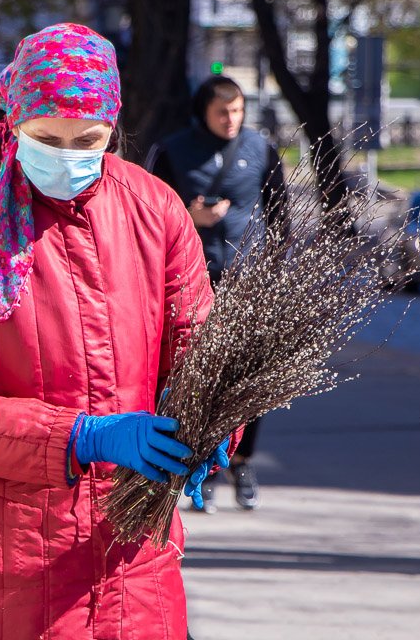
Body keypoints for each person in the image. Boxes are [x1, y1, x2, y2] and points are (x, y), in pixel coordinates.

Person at [0, 23, 234, 639]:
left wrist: (214, 424)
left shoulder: (156, 211)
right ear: (13, 121)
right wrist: (82, 436)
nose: (68, 155)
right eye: (46, 138)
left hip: (129, 559)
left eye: (89, 139)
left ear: (114, 128)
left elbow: (201, 353)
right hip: (0, 560)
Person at [145, 75, 285, 514]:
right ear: (203, 112)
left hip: (249, 282)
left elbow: (281, 215)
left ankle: (242, 460)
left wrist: (274, 272)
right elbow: (148, 215)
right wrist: (189, 217)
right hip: (191, 282)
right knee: (192, 376)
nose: (232, 119)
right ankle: (201, 463)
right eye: (223, 111)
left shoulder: (260, 150)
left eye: (239, 111)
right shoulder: (172, 151)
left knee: (250, 378)